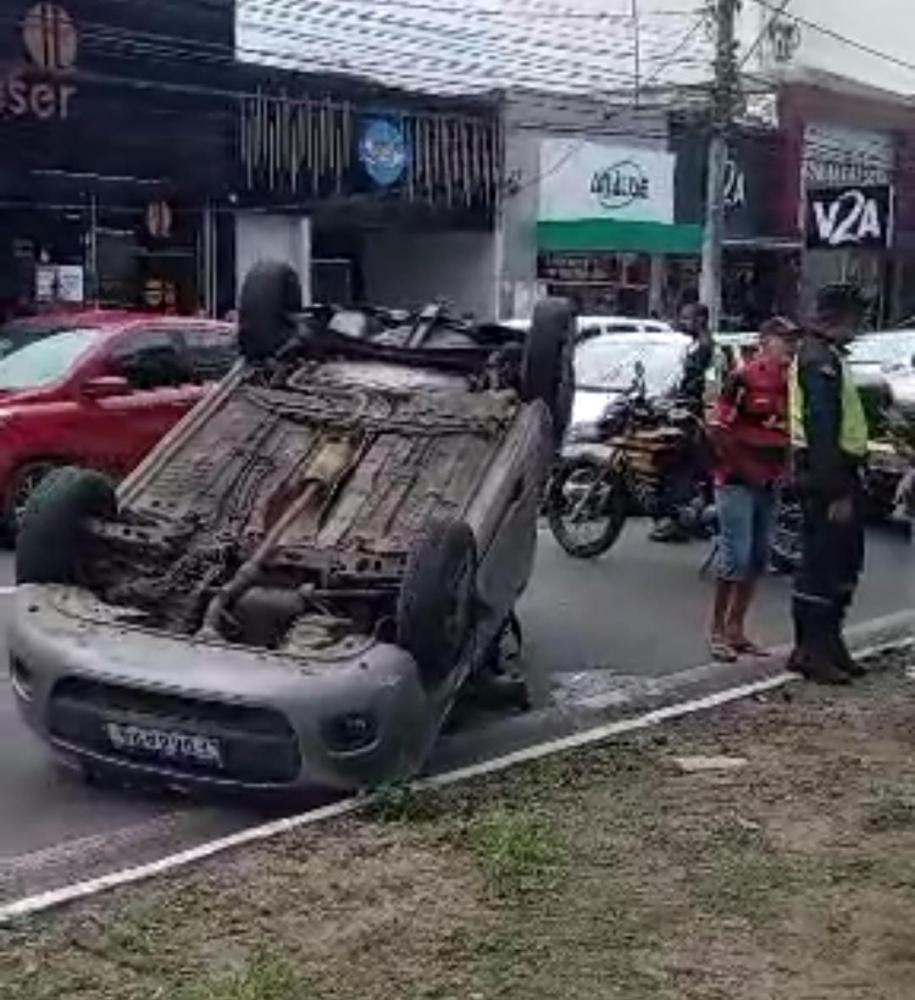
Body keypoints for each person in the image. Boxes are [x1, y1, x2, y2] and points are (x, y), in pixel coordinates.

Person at [788, 284, 870, 685]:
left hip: (836, 473)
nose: (859, 328)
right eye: (856, 318)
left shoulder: (829, 357)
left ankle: (829, 644)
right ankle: (810, 651)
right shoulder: (818, 361)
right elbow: (822, 429)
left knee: (843, 565)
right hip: (825, 477)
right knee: (822, 566)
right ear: (836, 318)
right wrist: (836, 491)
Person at [707, 317, 798, 661]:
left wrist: (786, 469)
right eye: (783, 340)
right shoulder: (743, 378)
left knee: (759, 558)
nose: (789, 347)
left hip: (770, 480)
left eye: (792, 341)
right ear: (764, 342)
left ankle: (736, 629)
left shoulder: (792, 384)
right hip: (736, 481)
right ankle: (716, 632)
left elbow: (790, 432)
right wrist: (744, 468)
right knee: (736, 557)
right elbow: (718, 429)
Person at [649, 300, 715, 543]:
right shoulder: (695, 346)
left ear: (700, 320)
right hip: (689, 415)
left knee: (679, 466)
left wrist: (683, 404)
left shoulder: (706, 348)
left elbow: (703, 386)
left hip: (695, 418)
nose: (683, 323)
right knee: (688, 469)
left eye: (687, 318)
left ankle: (681, 520)